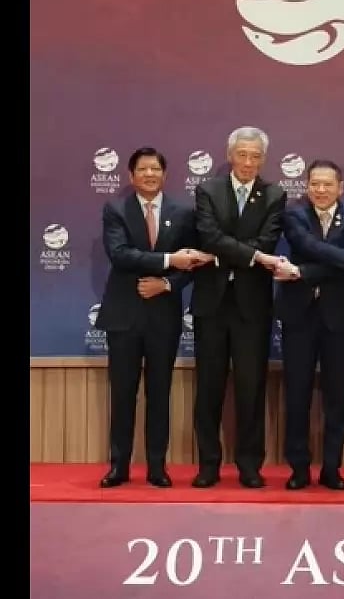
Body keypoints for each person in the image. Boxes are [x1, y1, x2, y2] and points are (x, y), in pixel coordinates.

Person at [96, 147, 211, 488]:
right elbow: (120, 255)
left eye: (155, 169)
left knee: (159, 393)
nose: (149, 174)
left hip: (164, 315)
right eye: (142, 169)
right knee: (123, 393)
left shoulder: (183, 212)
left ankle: (157, 467)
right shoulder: (116, 208)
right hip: (123, 315)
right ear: (131, 176)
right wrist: (167, 261)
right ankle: (119, 466)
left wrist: (165, 282)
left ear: (164, 174)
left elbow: (192, 263)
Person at [191, 126, 287, 488]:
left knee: (251, 387)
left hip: (253, 305)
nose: (248, 162)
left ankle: (249, 464)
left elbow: (268, 238)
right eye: (242, 154)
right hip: (211, 303)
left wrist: (231, 254)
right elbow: (208, 236)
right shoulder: (207, 190)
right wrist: (253, 255)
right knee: (209, 387)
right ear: (230, 155)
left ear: (263, 159)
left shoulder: (275, 194)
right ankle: (209, 464)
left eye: (256, 156)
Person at [273, 159, 344, 490]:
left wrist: (302, 272)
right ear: (307, 186)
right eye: (314, 184)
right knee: (297, 392)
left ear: (340, 187)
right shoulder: (293, 215)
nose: (320, 190)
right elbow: (307, 247)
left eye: (327, 184)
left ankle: (331, 468)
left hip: (339, 317)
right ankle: (299, 469)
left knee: (336, 394)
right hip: (298, 315)